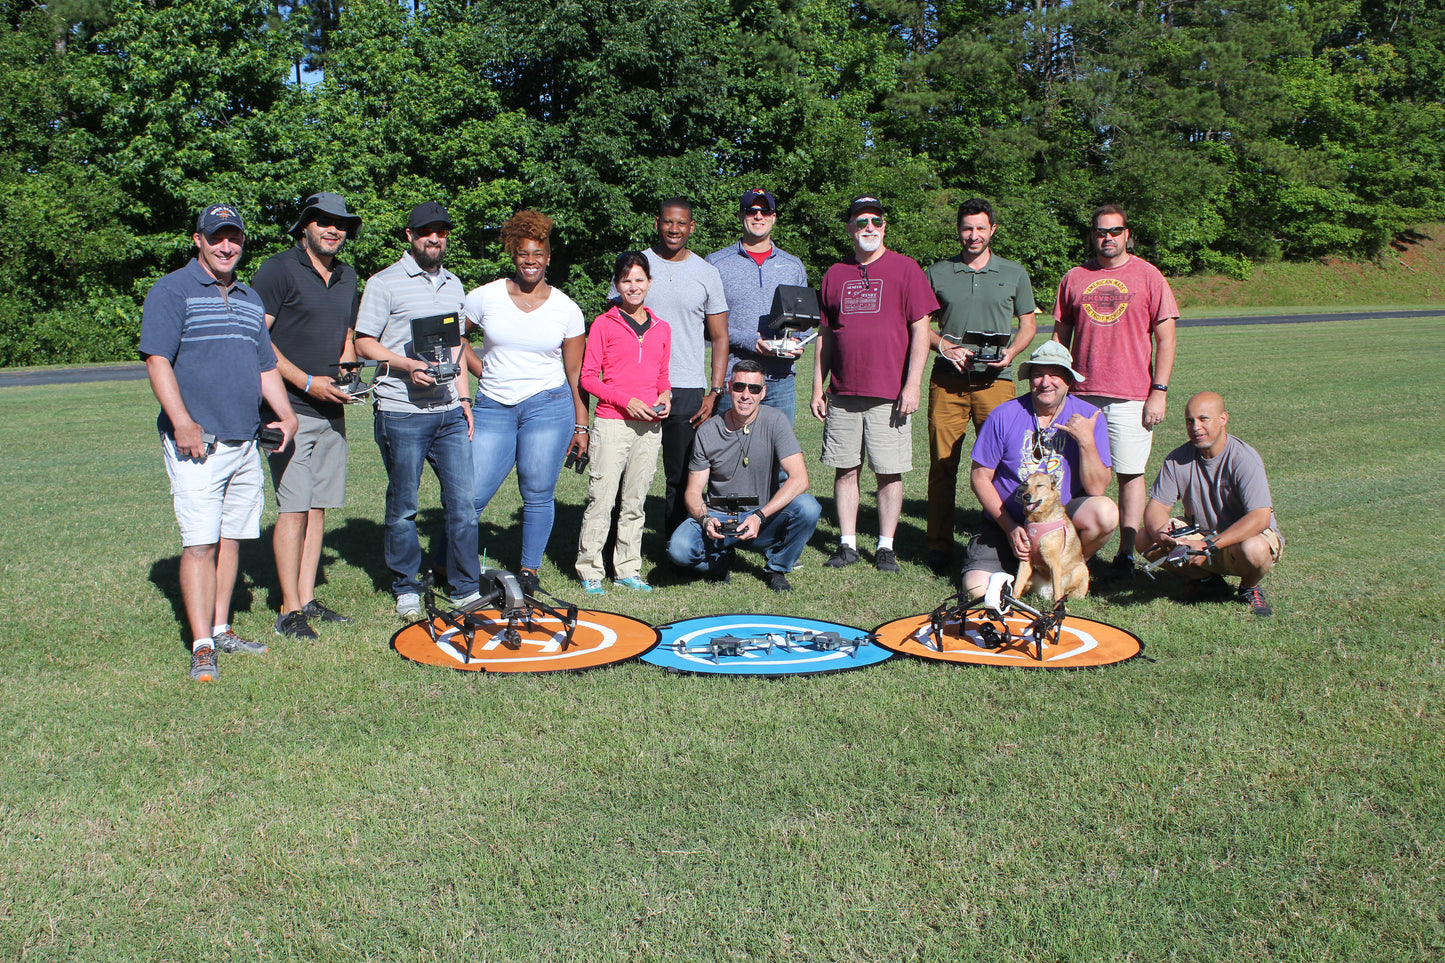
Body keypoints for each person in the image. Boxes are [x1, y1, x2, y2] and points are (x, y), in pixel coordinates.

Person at [140, 203, 298, 682]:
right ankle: (202, 645)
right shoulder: (172, 290)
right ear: (198, 240)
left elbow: (264, 365)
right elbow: (157, 360)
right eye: (217, 238)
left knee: (231, 539)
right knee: (200, 543)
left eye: (234, 238)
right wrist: (182, 421)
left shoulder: (250, 298)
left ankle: (222, 626)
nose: (226, 246)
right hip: (197, 441)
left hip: (245, 440)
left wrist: (287, 414)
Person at [354, 201, 481, 619]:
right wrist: (407, 366)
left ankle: (464, 587)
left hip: (447, 413)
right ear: (410, 236)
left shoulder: (455, 285)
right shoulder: (384, 283)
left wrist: (464, 399)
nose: (435, 238)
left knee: (462, 505)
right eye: (426, 231)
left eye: (441, 232)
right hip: (401, 412)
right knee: (405, 506)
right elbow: (364, 343)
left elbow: (457, 347)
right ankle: (406, 586)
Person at [250, 191, 362, 640]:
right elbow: (258, 339)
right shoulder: (277, 270)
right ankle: (287, 609)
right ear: (305, 226)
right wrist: (306, 382)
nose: (333, 229)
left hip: (331, 409)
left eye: (341, 224)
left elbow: (347, 334)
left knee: (317, 507)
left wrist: (347, 373)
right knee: (293, 507)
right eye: (324, 221)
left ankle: (307, 597)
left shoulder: (348, 275)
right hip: (288, 409)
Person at [461, 209, 588, 596]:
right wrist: (483, 372)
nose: (530, 261)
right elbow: (455, 339)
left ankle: (529, 572)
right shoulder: (484, 297)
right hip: (493, 406)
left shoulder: (567, 309)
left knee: (536, 492)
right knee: (472, 495)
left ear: (549, 257)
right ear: (513, 255)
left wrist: (582, 423)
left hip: (548, 406)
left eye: (538, 254)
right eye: (523, 254)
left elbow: (574, 374)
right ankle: (457, 566)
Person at [811, 195, 938, 572]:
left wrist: (912, 384)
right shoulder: (835, 273)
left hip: (890, 393)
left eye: (876, 222)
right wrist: (819, 387)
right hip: (844, 392)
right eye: (862, 221)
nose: (869, 228)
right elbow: (826, 335)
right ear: (850, 228)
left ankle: (885, 546)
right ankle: (847, 543)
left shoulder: (906, 269)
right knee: (845, 468)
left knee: (888, 469)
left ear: (884, 228)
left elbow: (921, 331)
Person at [1053, 204, 1179, 578]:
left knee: (1129, 472)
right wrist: (1060, 384)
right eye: (1100, 232)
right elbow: (1060, 335)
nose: (1107, 238)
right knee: (1075, 472)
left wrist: (1159, 390)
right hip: (1082, 393)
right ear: (1093, 236)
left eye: (1115, 231)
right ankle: (1072, 544)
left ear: (1128, 235)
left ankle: (1125, 552)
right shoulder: (1075, 277)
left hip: (1132, 394)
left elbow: (1166, 337)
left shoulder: (1148, 276)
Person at [923, 198, 1038, 575]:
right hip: (948, 381)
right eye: (967, 228)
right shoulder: (939, 272)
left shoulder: (1014, 272)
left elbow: (1028, 324)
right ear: (958, 230)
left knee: (1006, 465)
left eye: (981, 228)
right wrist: (944, 345)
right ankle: (939, 545)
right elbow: (918, 324)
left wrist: (1012, 352)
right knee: (943, 466)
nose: (974, 235)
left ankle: (1009, 536)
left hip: (997, 382)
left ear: (992, 231)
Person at [962, 342, 1118, 600]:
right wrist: (1011, 528)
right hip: (1008, 520)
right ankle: (1019, 567)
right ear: (1029, 378)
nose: (1046, 382)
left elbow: (1097, 489)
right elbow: (979, 477)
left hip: (1060, 520)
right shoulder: (1004, 415)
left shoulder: (1089, 416)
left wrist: (1086, 441)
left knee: (1105, 513)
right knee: (977, 589)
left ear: (1068, 379)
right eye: (1038, 374)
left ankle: (1066, 566)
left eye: (1055, 373)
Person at [610, 198, 729, 535]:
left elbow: (720, 338)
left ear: (691, 227)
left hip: (687, 389)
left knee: (682, 476)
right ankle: (617, 548)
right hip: (637, 388)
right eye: (667, 222)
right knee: (626, 472)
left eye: (681, 223)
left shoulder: (706, 273)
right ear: (657, 223)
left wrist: (715, 391)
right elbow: (611, 324)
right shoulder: (636, 265)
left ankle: (679, 549)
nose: (674, 229)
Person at [668, 361, 821, 591]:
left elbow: (800, 479)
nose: (746, 395)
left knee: (808, 507)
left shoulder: (776, 421)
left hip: (761, 516)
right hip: (719, 515)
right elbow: (692, 491)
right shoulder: (707, 431)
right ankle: (718, 563)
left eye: (754, 389)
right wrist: (705, 519)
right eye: (739, 387)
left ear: (763, 392)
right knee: (678, 550)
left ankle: (777, 568)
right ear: (729, 388)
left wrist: (760, 515)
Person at [575, 252, 672, 594]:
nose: (633, 286)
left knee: (635, 502)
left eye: (639, 279)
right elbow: (588, 378)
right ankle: (590, 569)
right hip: (613, 423)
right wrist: (624, 400)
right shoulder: (603, 323)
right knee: (601, 499)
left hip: (649, 427)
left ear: (649, 283)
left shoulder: (662, 328)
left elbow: (662, 376)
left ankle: (628, 568)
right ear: (617, 285)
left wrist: (666, 396)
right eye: (626, 280)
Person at [1137, 391, 1283, 616]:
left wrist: (1208, 545)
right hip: (1203, 537)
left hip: (1239, 541)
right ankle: (1205, 581)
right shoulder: (1177, 459)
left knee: (1253, 549)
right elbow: (1156, 508)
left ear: (1223, 419)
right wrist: (1162, 534)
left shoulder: (1244, 458)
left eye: (1203, 419)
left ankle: (1249, 588)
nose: (1195, 427)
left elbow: (1260, 517)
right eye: (1190, 420)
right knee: (1145, 537)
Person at [705, 188, 809, 424]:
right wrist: (750, 340)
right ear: (741, 216)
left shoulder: (793, 265)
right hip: (735, 378)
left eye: (765, 211)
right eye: (751, 211)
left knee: (780, 456)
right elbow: (708, 325)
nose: (758, 216)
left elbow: (803, 323)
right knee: (729, 454)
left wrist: (798, 342)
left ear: (774, 217)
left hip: (780, 380)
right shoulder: (716, 263)